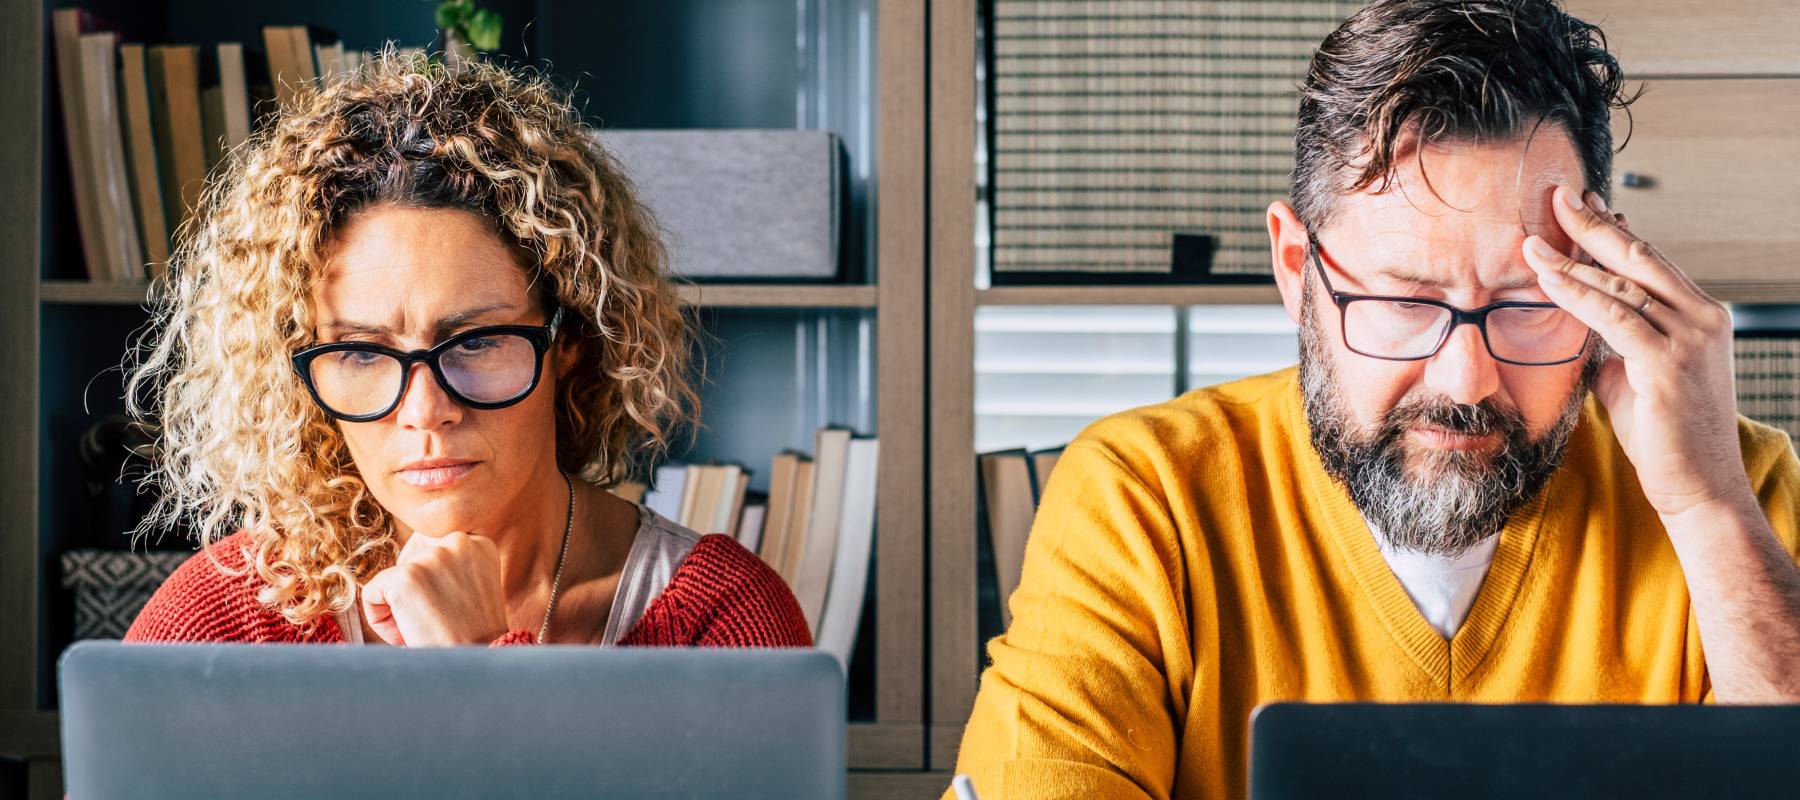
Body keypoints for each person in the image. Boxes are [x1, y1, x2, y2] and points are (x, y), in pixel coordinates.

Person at [948, 1, 1800, 797]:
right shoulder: (1145, 492)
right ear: (1296, 270)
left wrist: (1707, 508)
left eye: (1531, 302)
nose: (1466, 380)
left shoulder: (1731, 484)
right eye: (1403, 302)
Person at [123, 54, 810, 649]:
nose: (426, 411)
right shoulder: (228, 619)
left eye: (476, 341)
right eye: (361, 354)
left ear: (568, 338)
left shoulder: (719, 624)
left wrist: (480, 661)